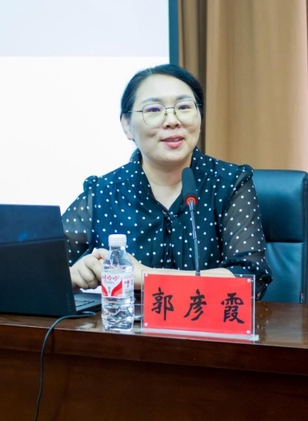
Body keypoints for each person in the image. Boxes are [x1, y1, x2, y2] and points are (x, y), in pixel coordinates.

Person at [62, 64, 273, 299]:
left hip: (205, 322)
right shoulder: (104, 193)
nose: (172, 120)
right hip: (126, 324)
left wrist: (145, 276)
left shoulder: (229, 184)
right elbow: (42, 267)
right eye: (153, 109)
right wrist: (72, 275)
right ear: (127, 125)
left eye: (184, 107)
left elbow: (250, 279)